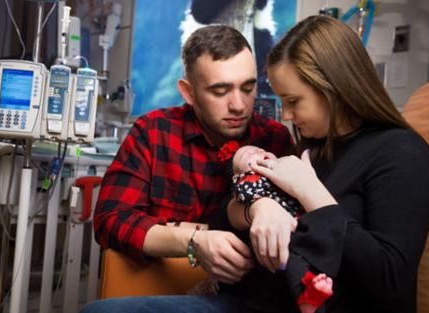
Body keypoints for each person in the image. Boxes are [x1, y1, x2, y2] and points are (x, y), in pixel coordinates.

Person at [222, 15, 429, 313]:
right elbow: (221, 215)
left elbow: (391, 281)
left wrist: (312, 194)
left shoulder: (402, 153)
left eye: (294, 101)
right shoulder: (311, 148)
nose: (285, 116)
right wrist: (258, 207)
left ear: (334, 88)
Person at [79, 24, 293, 312]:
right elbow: (110, 220)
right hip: (164, 292)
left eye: (248, 87)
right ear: (188, 92)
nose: (239, 105)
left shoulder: (275, 139)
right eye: (220, 91)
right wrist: (194, 242)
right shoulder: (153, 132)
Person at [211, 142, 334, 313]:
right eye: (247, 155)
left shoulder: (286, 171)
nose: (259, 151)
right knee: (290, 261)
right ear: (236, 176)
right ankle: (306, 297)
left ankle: (313, 289)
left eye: (261, 149)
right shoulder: (247, 181)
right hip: (279, 238)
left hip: (302, 228)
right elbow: (244, 195)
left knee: (312, 264)